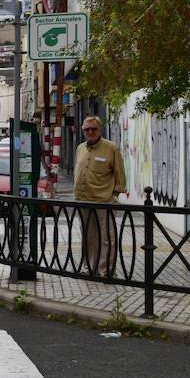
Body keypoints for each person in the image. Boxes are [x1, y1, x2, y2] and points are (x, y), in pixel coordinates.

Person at [74, 115, 127, 276]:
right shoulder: (80, 148)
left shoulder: (111, 148)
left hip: (104, 201)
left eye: (93, 129)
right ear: (83, 130)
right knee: (88, 238)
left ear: (100, 129)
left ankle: (107, 271)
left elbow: (120, 177)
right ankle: (90, 268)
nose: (90, 132)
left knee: (107, 238)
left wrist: (113, 196)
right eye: (86, 129)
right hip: (83, 200)